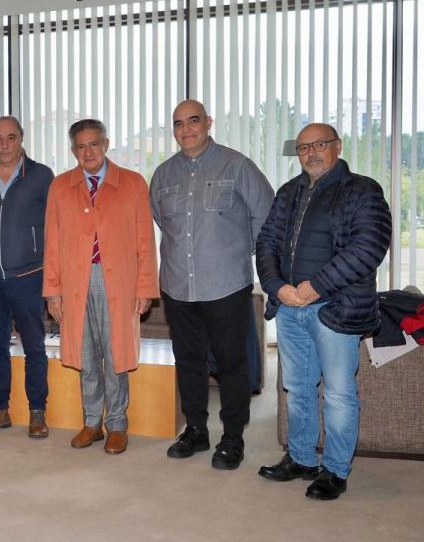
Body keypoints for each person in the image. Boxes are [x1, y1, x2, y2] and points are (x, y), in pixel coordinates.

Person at [255, 123, 391, 500]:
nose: (310, 153)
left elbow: (369, 247)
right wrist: (277, 286)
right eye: (302, 148)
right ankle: (300, 458)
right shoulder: (288, 192)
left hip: (336, 310)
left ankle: (334, 470)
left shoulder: (363, 190)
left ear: (337, 147)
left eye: (319, 145)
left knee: (338, 394)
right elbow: (266, 241)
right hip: (290, 308)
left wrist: (315, 286)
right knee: (296, 389)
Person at [149, 99, 274, 470]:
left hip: (225, 286)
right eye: (178, 123)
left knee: (232, 364)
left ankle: (232, 436)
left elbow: (265, 219)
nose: (186, 129)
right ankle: (196, 430)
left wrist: (234, 254)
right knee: (188, 362)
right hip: (177, 288)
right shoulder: (163, 175)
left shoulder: (237, 166)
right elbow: (162, 223)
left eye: (193, 121)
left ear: (208, 123)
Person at [44, 119, 158, 454]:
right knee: (86, 355)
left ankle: (118, 424)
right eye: (80, 146)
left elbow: (145, 242)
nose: (87, 152)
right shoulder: (61, 187)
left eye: (93, 144)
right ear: (73, 150)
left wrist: (144, 289)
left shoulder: (133, 184)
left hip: (118, 281)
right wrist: (53, 290)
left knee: (116, 354)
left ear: (106, 144)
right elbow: (52, 242)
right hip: (75, 281)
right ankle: (92, 421)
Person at [0, 116, 54, 438]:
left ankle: (37, 412)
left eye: (11, 138)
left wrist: (52, 273)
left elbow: (54, 227)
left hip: (29, 277)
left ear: (22, 139)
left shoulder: (41, 176)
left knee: (34, 347)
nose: (4, 145)